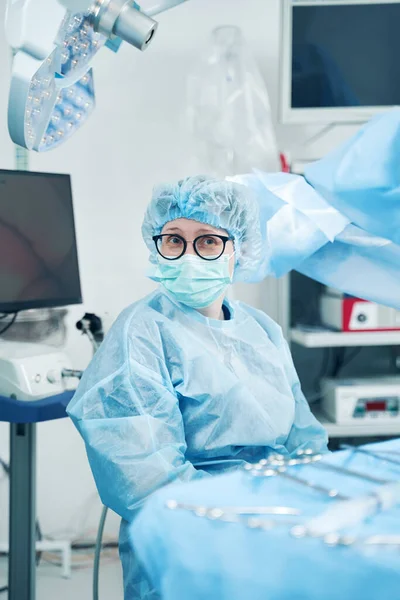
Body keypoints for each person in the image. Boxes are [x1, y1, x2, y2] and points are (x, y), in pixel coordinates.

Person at [67, 175, 328, 600]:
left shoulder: (261, 330)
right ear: (157, 246)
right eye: (174, 240)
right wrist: (239, 522)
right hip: (192, 542)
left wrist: (313, 504)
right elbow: (143, 475)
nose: (189, 255)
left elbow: (303, 439)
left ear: (238, 248)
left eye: (207, 241)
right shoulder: (141, 333)